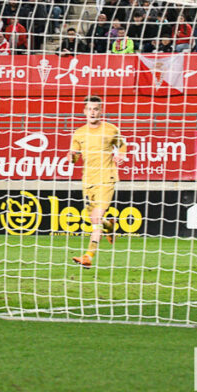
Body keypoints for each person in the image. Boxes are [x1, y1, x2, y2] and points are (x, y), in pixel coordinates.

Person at [68, 96, 127, 269]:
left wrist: (121, 154)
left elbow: (122, 144)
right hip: (88, 181)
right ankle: (110, 226)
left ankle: (88, 256)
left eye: (95, 109)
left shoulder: (110, 129)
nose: (92, 112)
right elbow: (74, 157)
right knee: (95, 218)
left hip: (107, 178)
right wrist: (71, 157)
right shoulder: (79, 133)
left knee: (96, 218)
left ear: (101, 111)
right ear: (84, 112)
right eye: (89, 109)